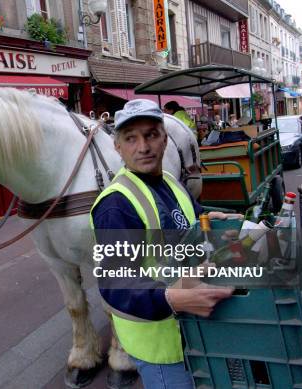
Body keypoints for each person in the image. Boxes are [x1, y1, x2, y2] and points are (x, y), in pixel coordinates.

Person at [90, 99, 234, 389]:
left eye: (151, 135)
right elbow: (114, 283)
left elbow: (185, 215)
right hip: (161, 348)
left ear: (165, 139)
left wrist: (207, 215)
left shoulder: (168, 179)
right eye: (131, 138)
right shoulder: (115, 205)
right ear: (117, 147)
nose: (143, 147)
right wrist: (172, 298)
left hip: (192, 331)